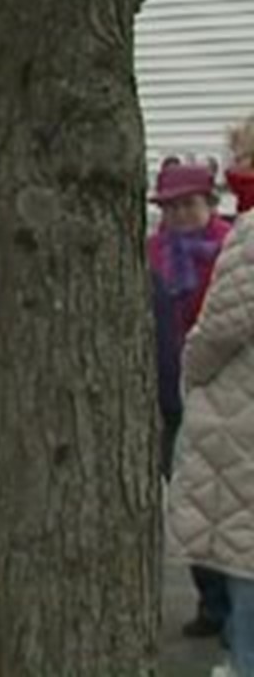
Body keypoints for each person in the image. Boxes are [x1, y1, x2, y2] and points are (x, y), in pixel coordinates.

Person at [169, 114, 254, 677]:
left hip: (242, 421)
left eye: (240, 152)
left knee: (248, 572)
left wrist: (189, 370)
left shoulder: (248, 235)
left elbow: (220, 327)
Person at [154, 155, 239, 641]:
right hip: (173, 396)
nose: (180, 214)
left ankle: (235, 610)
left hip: (223, 396)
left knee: (228, 509)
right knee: (189, 505)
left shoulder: (230, 250)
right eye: (171, 207)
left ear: (210, 203)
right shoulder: (152, 254)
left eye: (189, 204)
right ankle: (211, 603)